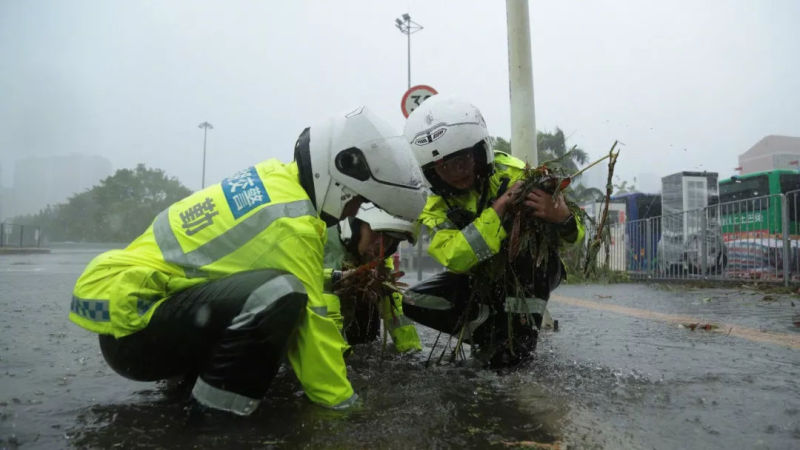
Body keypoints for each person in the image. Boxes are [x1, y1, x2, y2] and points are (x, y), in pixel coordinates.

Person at [69, 106, 427, 415]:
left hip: (141, 312)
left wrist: (335, 279)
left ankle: (189, 392)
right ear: (339, 180)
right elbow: (313, 328)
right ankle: (215, 423)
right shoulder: (293, 222)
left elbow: (240, 271)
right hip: (133, 326)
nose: (351, 211)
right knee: (280, 294)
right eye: (353, 202)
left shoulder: (277, 182)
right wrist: (344, 407)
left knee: (274, 289)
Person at [401, 95, 585, 368]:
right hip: (477, 280)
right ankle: (486, 328)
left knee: (525, 267)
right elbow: (456, 258)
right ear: (431, 171)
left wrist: (562, 217)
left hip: (531, 272)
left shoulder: (516, 174)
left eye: (463, 159)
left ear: (478, 151)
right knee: (413, 301)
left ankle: (521, 336)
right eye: (444, 166)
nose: (457, 172)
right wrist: (499, 208)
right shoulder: (434, 207)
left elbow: (574, 238)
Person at [322, 203, 422, 352]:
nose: (381, 246)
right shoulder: (320, 234)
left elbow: (395, 306)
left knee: (380, 293)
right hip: (307, 321)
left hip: (349, 318)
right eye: (378, 235)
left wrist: (410, 350)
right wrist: (337, 278)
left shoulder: (379, 259)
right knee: (328, 297)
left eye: (390, 242)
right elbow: (298, 278)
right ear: (355, 225)